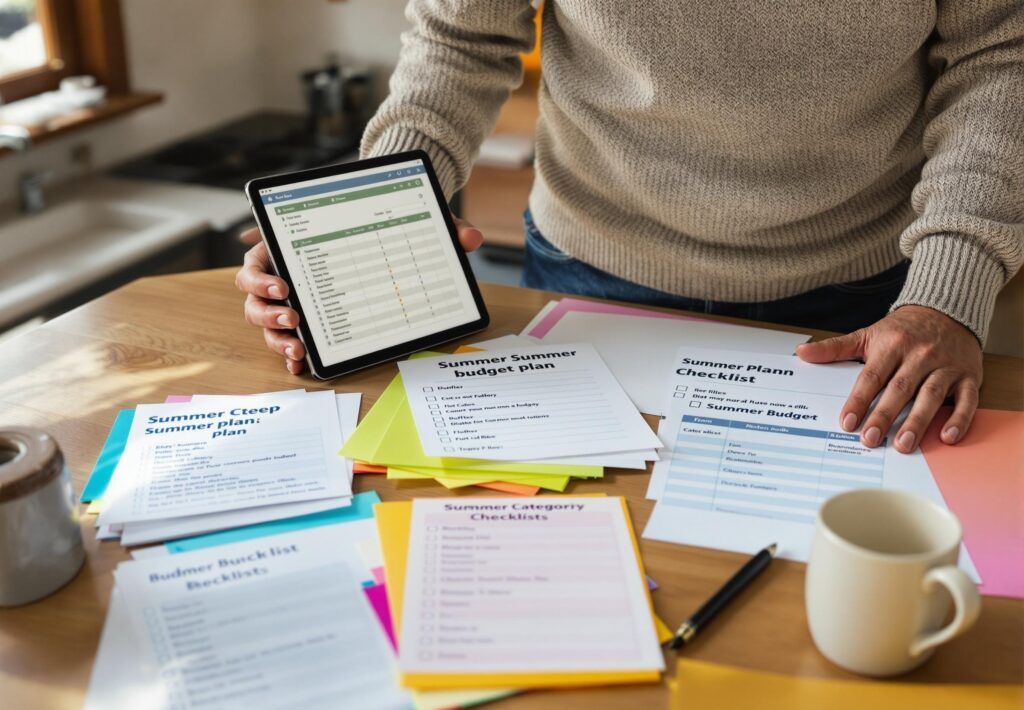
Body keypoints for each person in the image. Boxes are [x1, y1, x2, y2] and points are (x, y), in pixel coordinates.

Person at [236, 1, 1023, 455]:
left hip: (876, 303)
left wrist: (951, 287)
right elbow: (462, 37)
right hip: (593, 267)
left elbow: (999, 55)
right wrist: (367, 223)